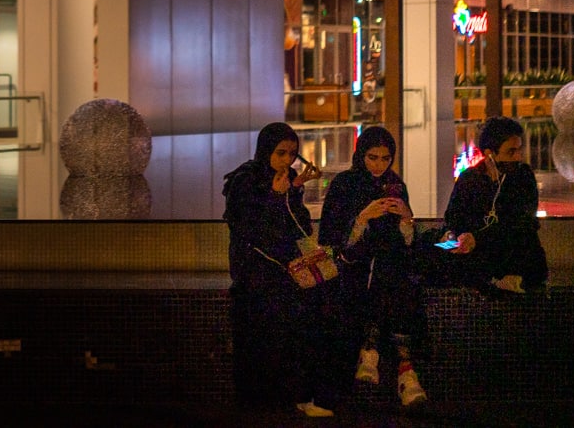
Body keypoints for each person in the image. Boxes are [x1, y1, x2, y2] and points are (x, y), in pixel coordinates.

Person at [222, 122, 341, 418]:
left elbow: (297, 224)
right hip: (256, 272)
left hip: (287, 268)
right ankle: (262, 403)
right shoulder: (245, 180)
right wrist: (276, 197)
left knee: (300, 330)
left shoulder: (287, 178)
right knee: (264, 336)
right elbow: (250, 227)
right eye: (280, 153)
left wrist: (294, 191)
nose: (286, 161)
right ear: (266, 151)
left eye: (292, 154)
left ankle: (297, 396)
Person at [319, 126, 427, 407]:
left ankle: (375, 355)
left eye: (385, 158)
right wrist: (362, 218)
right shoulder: (344, 184)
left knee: (394, 283)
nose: (379, 165)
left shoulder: (395, 185)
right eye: (372, 157)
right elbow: (332, 239)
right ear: (360, 154)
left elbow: (407, 242)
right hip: (353, 267)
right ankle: (396, 368)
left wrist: (406, 218)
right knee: (383, 287)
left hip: (389, 266)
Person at [442, 115, 549, 292]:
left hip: (505, 248)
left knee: (525, 246)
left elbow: (520, 223)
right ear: (489, 154)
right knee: (432, 246)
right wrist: (454, 236)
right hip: (471, 247)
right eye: (511, 152)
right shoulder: (470, 178)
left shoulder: (522, 177)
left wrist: (478, 238)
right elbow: (453, 217)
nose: (517, 157)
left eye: (519, 150)